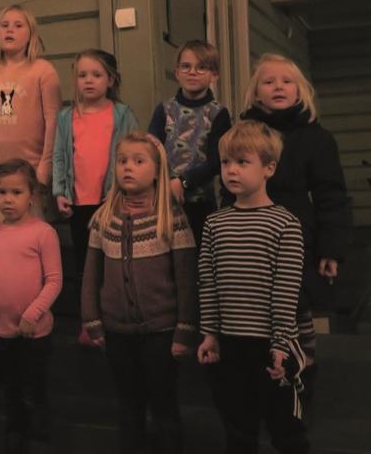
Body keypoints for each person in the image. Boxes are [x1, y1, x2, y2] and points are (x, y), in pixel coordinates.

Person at [238, 53, 350, 414]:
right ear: (256, 93)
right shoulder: (244, 135)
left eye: (286, 81)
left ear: (300, 90)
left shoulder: (317, 139)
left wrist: (330, 249)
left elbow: (331, 196)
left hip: (298, 243)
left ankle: (298, 402)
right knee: (256, 326)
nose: (278, 87)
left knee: (298, 327)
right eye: (269, 81)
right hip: (252, 243)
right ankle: (262, 399)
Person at [197, 120, 309, 453]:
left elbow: (286, 290)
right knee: (238, 428)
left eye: (242, 162)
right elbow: (209, 283)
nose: (231, 170)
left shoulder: (285, 223)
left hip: (270, 346)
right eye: (226, 163)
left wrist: (280, 343)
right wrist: (210, 334)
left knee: (285, 428)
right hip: (230, 344)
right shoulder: (215, 223)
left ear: (268, 168)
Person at [81, 132, 196, 454]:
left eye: (138, 161)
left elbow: (186, 279)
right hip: (117, 332)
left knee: (164, 406)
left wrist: (185, 330)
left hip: (161, 333)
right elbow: (91, 275)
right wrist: (92, 320)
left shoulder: (172, 219)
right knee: (129, 406)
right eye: (122, 161)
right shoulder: (104, 219)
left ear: (158, 171)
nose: (128, 167)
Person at [51, 49, 137, 346]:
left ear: (110, 80)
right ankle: (87, 322)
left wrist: (122, 192)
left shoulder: (121, 114)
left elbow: (131, 153)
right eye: (82, 75)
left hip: (110, 201)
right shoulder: (67, 117)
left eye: (96, 75)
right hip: (79, 203)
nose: (89, 81)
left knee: (111, 263)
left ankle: (113, 319)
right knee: (83, 266)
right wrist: (60, 191)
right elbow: (60, 157)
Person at [0, 159, 62, 453]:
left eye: (16, 192)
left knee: (33, 390)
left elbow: (54, 281)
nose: (8, 199)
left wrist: (32, 314)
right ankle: (14, 434)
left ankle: (38, 438)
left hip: (34, 331)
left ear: (32, 195)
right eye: (2, 192)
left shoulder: (43, 232)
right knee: (9, 390)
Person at [0, 5, 61, 223]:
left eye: (18, 25)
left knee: (30, 236)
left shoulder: (42, 71)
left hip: (31, 172)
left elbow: (53, 121)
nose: (10, 30)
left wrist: (45, 167)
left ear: (30, 34)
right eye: (5, 25)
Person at [147, 40, 232, 244]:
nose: (192, 72)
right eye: (186, 66)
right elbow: (150, 152)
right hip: (163, 200)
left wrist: (184, 182)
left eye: (202, 67)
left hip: (200, 202)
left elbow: (216, 160)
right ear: (177, 73)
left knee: (197, 257)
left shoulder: (218, 113)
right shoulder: (164, 110)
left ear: (214, 75)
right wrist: (163, 184)